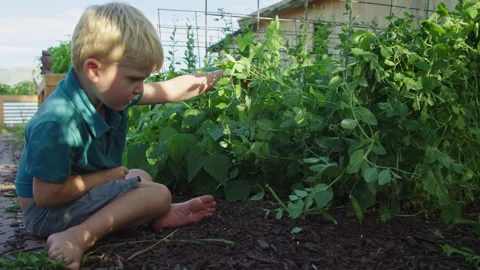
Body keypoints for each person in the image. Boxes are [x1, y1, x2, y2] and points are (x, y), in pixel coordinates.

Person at [14, 2, 223, 269]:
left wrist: (221, 77)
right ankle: (78, 236)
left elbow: (170, 90)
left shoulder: (106, 92)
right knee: (157, 194)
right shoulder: (57, 121)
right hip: (45, 213)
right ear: (94, 70)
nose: (139, 89)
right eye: (135, 79)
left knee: (139, 176)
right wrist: (104, 177)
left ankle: (154, 215)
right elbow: (46, 195)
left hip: (69, 197)